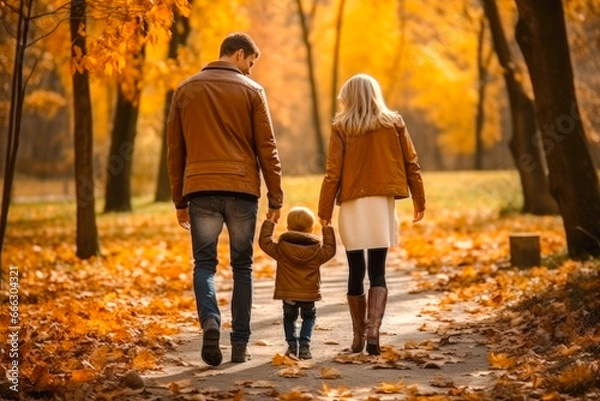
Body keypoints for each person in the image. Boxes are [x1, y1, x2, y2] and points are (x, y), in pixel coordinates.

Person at [167, 32, 284, 366]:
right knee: (242, 266)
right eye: (250, 62)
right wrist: (276, 197)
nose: (250, 70)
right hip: (242, 190)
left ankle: (211, 322)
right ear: (238, 54)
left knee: (204, 265)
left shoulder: (185, 90)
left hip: (200, 190)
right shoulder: (252, 92)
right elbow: (267, 148)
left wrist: (179, 199)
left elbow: (176, 150)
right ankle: (240, 346)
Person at [318, 74, 425, 356]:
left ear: (350, 97)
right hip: (381, 202)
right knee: (378, 271)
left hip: (353, 202)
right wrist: (419, 200)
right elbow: (410, 162)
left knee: (356, 270)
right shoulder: (394, 123)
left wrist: (324, 211)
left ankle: (357, 338)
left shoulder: (341, 126)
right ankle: (374, 332)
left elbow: (333, 173)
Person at [258, 206, 336, 359]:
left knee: (289, 318)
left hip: (288, 293)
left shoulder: (281, 249)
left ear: (288, 227)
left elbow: (264, 243)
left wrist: (270, 222)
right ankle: (305, 346)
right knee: (308, 317)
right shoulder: (317, 251)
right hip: (309, 294)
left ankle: (292, 346)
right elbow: (330, 249)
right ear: (311, 228)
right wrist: (326, 227)